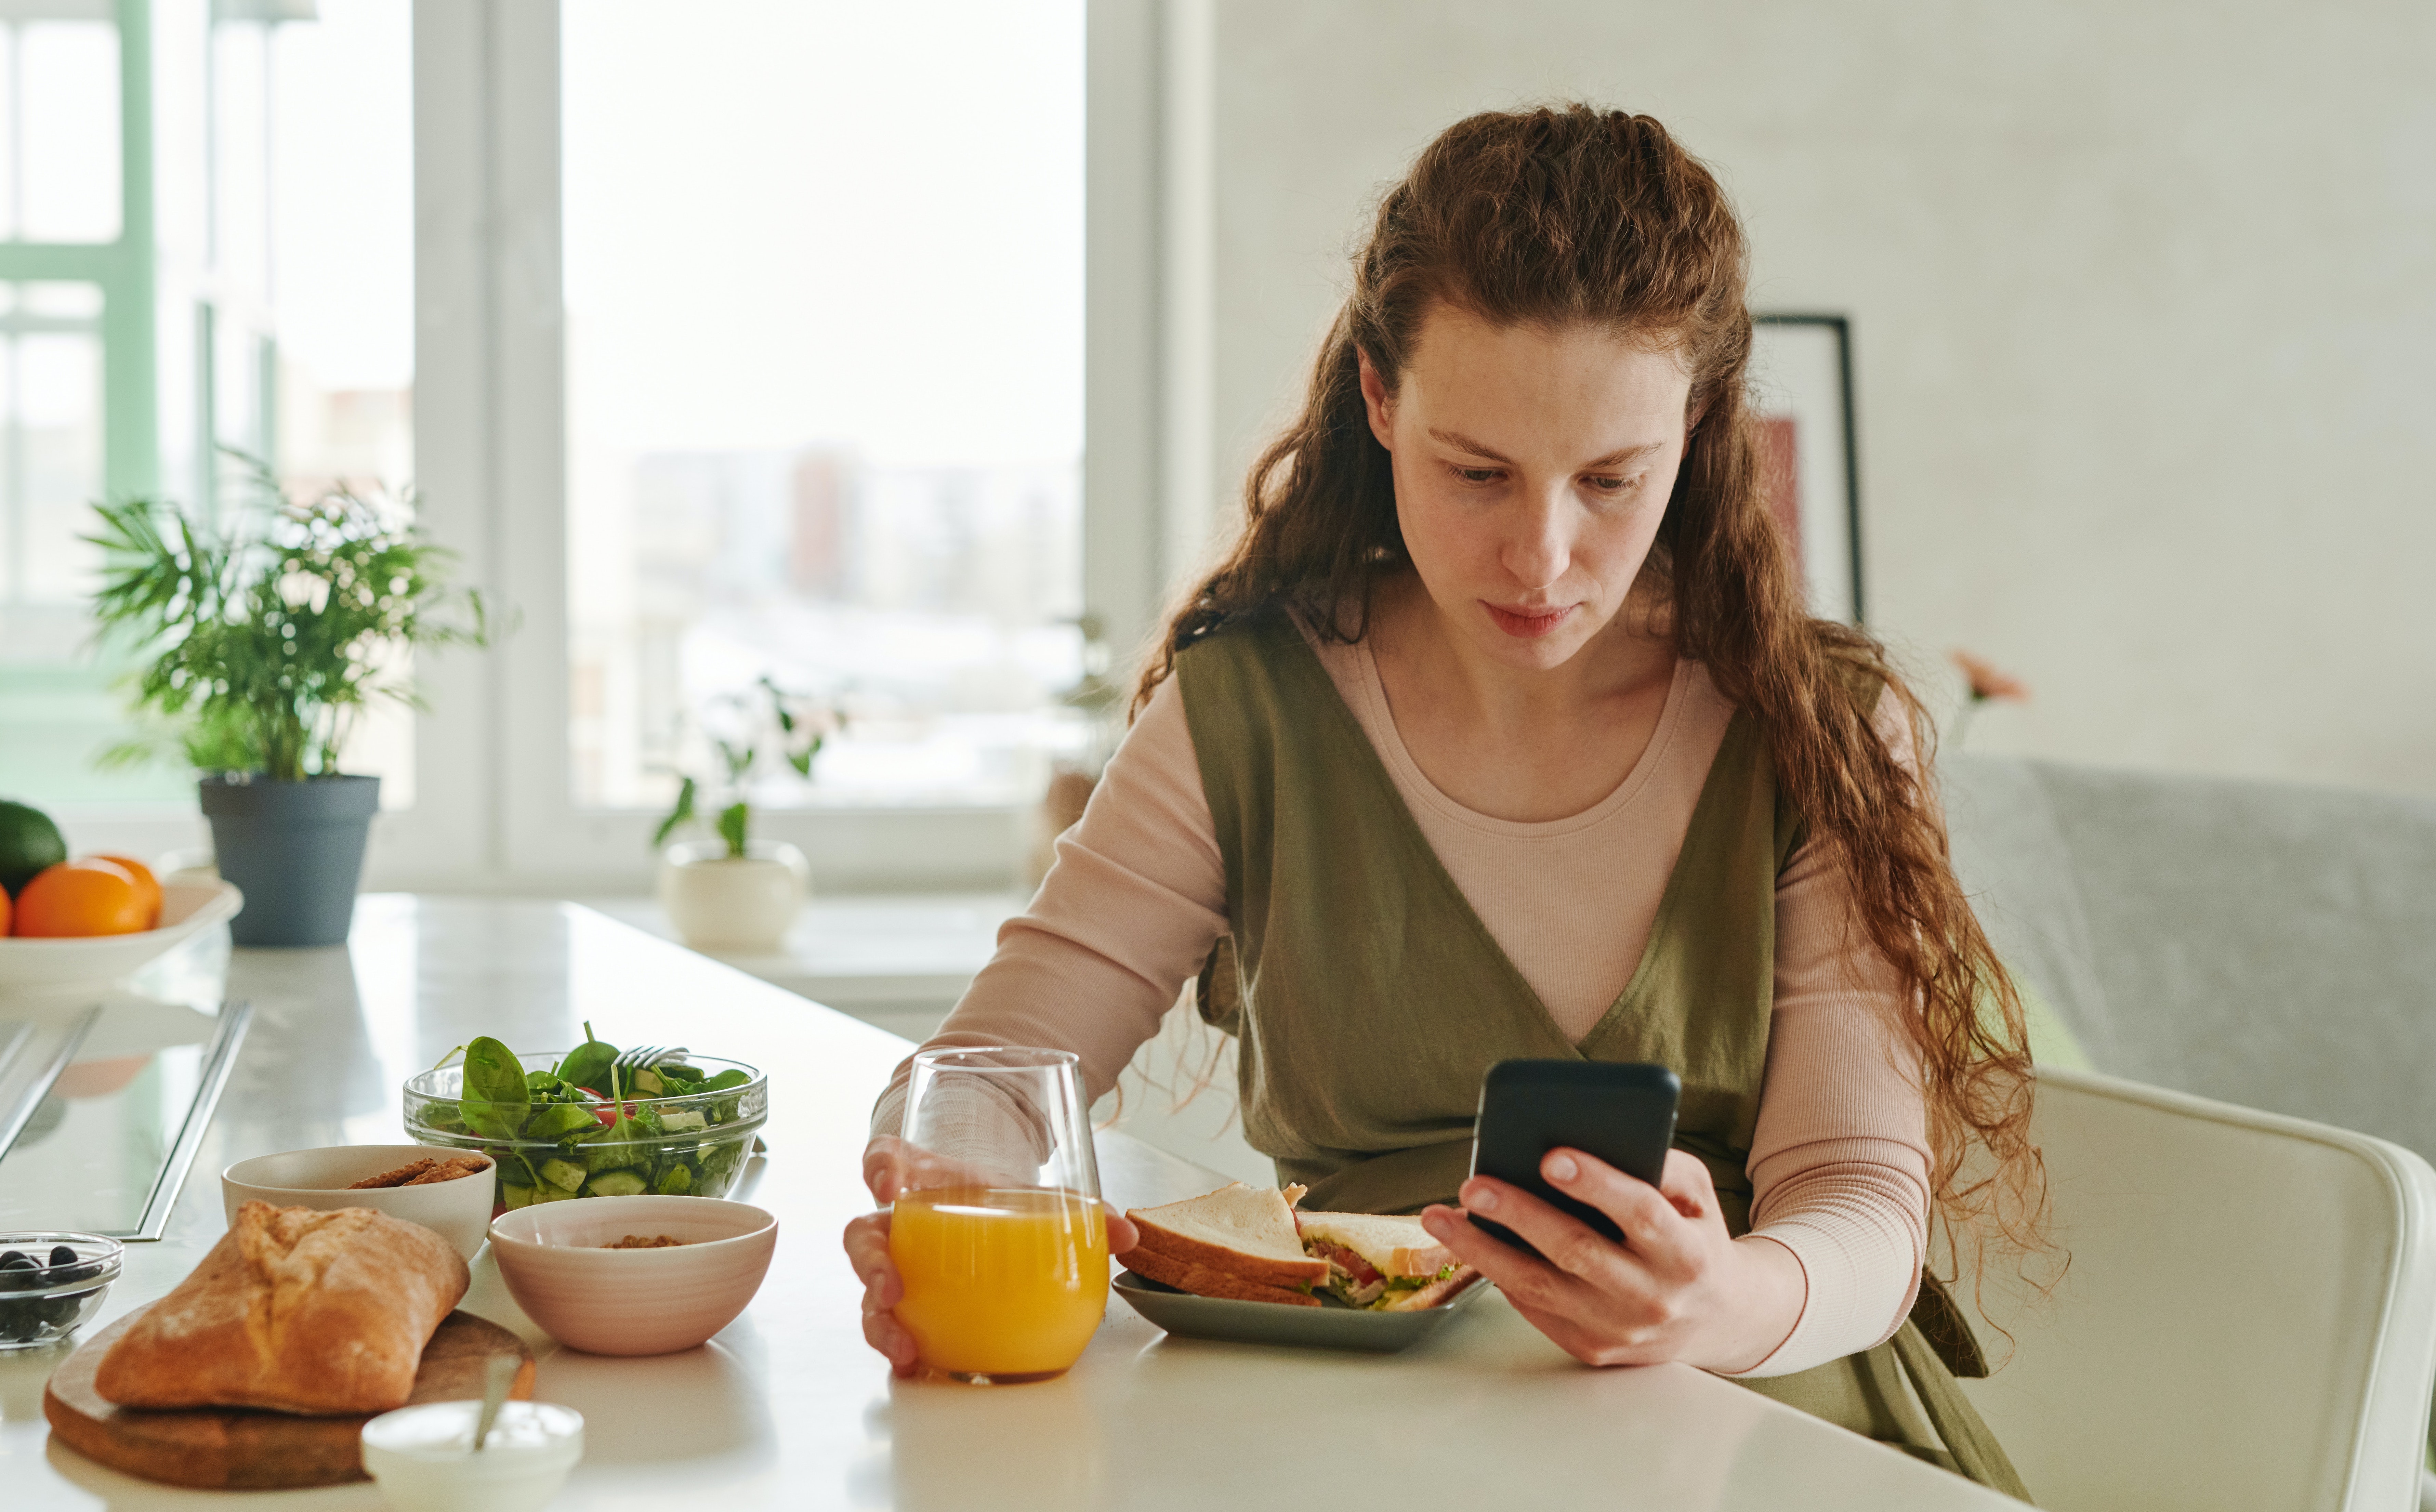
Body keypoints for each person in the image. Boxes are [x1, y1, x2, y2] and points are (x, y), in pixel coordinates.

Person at [844, 104, 2040, 1494]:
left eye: (1608, 480)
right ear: (1377, 400)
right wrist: (941, 1191)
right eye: (1475, 472)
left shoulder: (1820, 732)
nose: (1541, 555)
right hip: (1368, 1448)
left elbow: (1858, 1204)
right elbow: (996, 1072)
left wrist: (1715, 1297)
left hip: (1763, 1424)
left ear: (1699, 427)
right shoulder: (1248, 710)